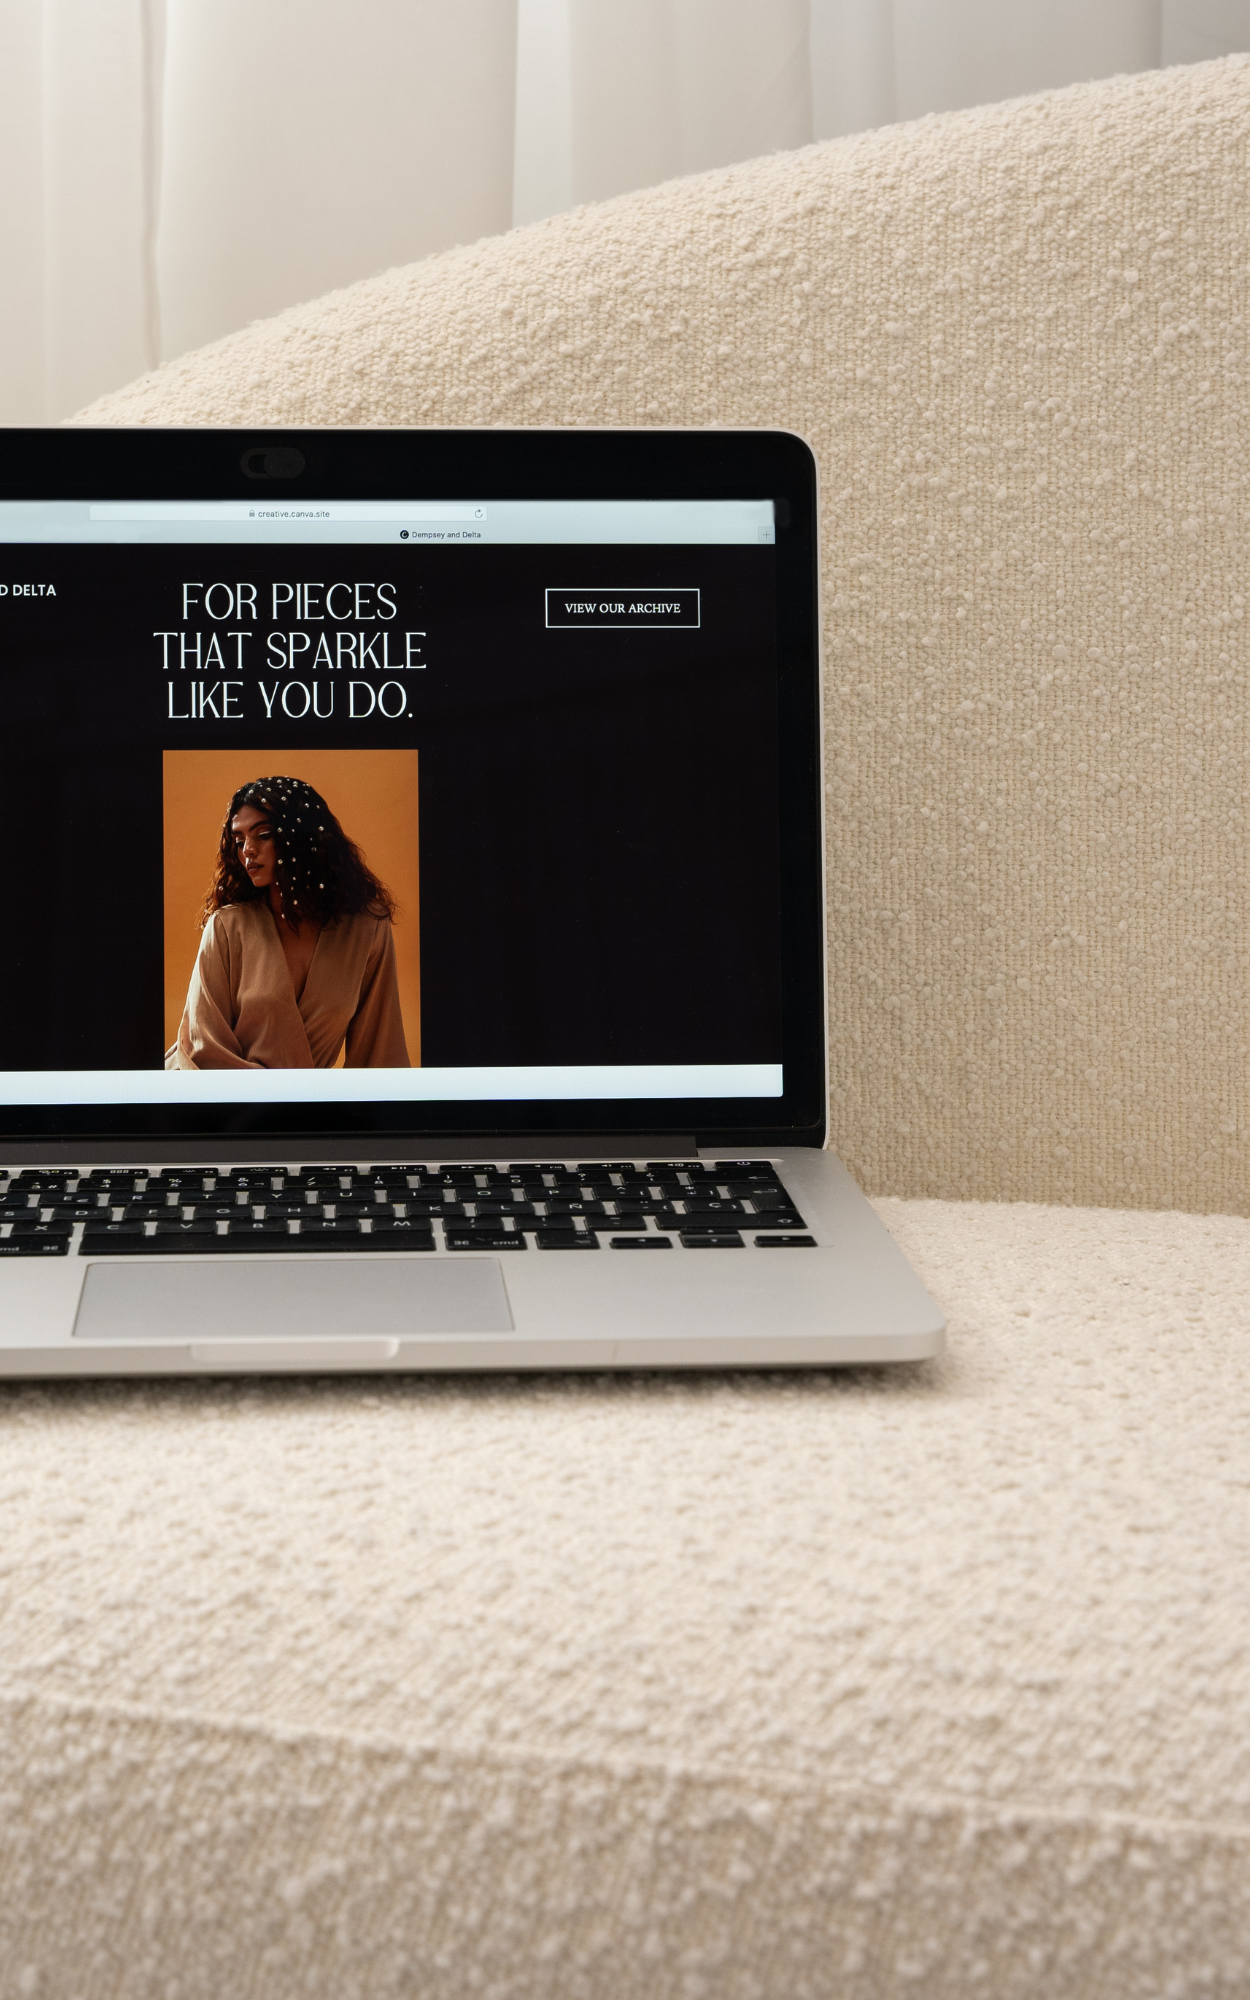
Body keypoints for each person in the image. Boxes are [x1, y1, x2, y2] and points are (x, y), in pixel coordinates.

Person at [167, 776, 410, 1069]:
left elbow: (380, 1055)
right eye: (239, 840)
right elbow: (203, 1049)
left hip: (305, 1109)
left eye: (264, 834)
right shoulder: (227, 927)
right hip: (220, 1102)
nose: (248, 851)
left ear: (303, 836)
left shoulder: (366, 928)